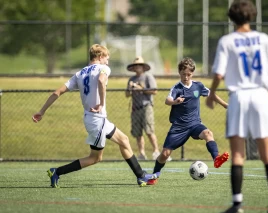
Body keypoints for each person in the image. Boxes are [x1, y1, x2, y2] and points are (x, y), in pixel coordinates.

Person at [206, 1, 268, 213]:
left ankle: (237, 204)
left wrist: (211, 94)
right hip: (261, 97)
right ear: (252, 16)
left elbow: (218, 74)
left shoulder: (227, 41)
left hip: (238, 97)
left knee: (238, 154)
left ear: (231, 17)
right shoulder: (264, 39)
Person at [32, 44, 155, 188]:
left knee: (124, 140)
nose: (108, 62)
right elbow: (101, 80)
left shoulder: (79, 73)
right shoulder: (103, 68)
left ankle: (141, 176)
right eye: (106, 58)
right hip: (97, 119)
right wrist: (101, 104)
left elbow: (56, 92)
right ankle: (57, 172)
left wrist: (42, 111)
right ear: (100, 56)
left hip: (96, 119)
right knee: (95, 158)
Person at [147, 57, 229, 185]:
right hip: (179, 127)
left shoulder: (198, 86)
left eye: (189, 74)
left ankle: (216, 159)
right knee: (165, 154)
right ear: (179, 73)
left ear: (192, 74)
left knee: (208, 134)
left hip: (195, 124)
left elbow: (211, 94)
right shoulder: (177, 88)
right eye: (184, 74)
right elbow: (167, 100)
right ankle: (155, 175)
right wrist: (175, 101)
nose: (186, 77)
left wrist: (225, 105)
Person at [125, 56, 165, 161]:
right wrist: (130, 88)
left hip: (146, 106)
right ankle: (141, 153)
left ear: (143, 67)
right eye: (135, 65)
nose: (137, 67)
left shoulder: (148, 77)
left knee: (149, 130)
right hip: (135, 108)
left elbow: (154, 91)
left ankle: (156, 151)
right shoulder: (131, 79)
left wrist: (141, 88)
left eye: (139, 65)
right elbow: (126, 94)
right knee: (138, 133)